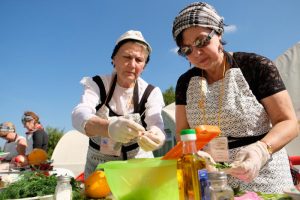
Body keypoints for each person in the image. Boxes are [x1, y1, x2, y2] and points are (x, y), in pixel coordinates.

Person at [172, 2, 299, 193]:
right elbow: (183, 133)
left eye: (201, 41)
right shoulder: (185, 83)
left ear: (218, 33)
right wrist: (196, 156)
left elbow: (288, 122)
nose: (196, 53)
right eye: (187, 49)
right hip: (212, 178)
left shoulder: (256, 66)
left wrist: (261, 150)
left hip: (264, 175)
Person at [72, 30, 166, 179]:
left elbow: (156, 123)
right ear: (114, 59)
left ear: (144, 66)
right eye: (127, 57)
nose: (132, 65)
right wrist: (108, 128)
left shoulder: (150, 92)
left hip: (139, 165)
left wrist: (157, 136)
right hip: (99, 168)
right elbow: (79, 115)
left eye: (139, 60)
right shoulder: (98, 84)